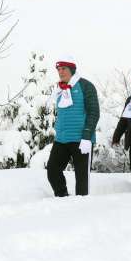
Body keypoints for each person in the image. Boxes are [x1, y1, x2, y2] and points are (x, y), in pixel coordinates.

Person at [46, 56, 100, 197]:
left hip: (81, 139)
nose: (60, 72)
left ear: (72, 70)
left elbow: (94, 112)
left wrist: (87, 136)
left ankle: (81, 209)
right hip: (62, 139)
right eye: (58, 69)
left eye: (64, 69)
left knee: (81, 179)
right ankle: (62, 197)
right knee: (52, 170)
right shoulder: (59, 89)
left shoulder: (86, 86)